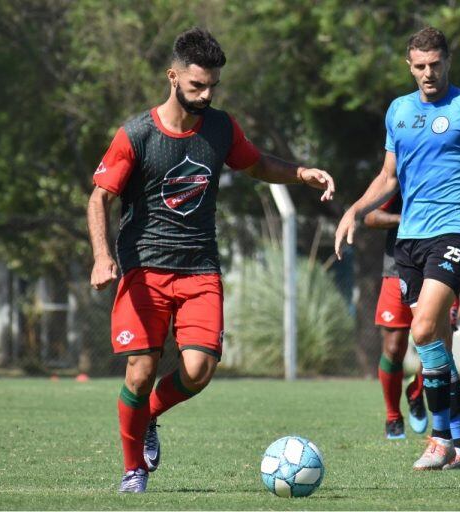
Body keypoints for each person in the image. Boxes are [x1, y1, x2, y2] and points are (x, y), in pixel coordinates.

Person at [87, 28, 335, 493]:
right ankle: (133, 470)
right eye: (196, 85)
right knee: (139, 372)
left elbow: (256, 163)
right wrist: (103, 258)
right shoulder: (136, 134)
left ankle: (149, 418)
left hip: (200, 269)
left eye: (212, 87)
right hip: (144, 269)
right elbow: (99, 198)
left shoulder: (220, 127)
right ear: (173, 76)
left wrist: (300, 173)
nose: (205, 95)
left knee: (199, 371)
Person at [335, 27, 460, 470]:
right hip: (409, 242)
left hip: (457, 232)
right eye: (420, 66)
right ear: (409, 66)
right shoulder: (399, 111)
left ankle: (437, 440)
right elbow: (388, 177)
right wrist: (354, 211)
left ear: (447, 61)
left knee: (421, 331)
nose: (428, 73)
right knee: (438, 347)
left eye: (435, 64)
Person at [364, 193, 460, 440]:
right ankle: (393, 417)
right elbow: (371, 216)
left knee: (437, 340)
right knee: (395, 347)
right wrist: (405, 218)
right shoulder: (400, 172)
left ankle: (417, 393)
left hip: (441, 270)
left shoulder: (452, 172)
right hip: (398, 269)